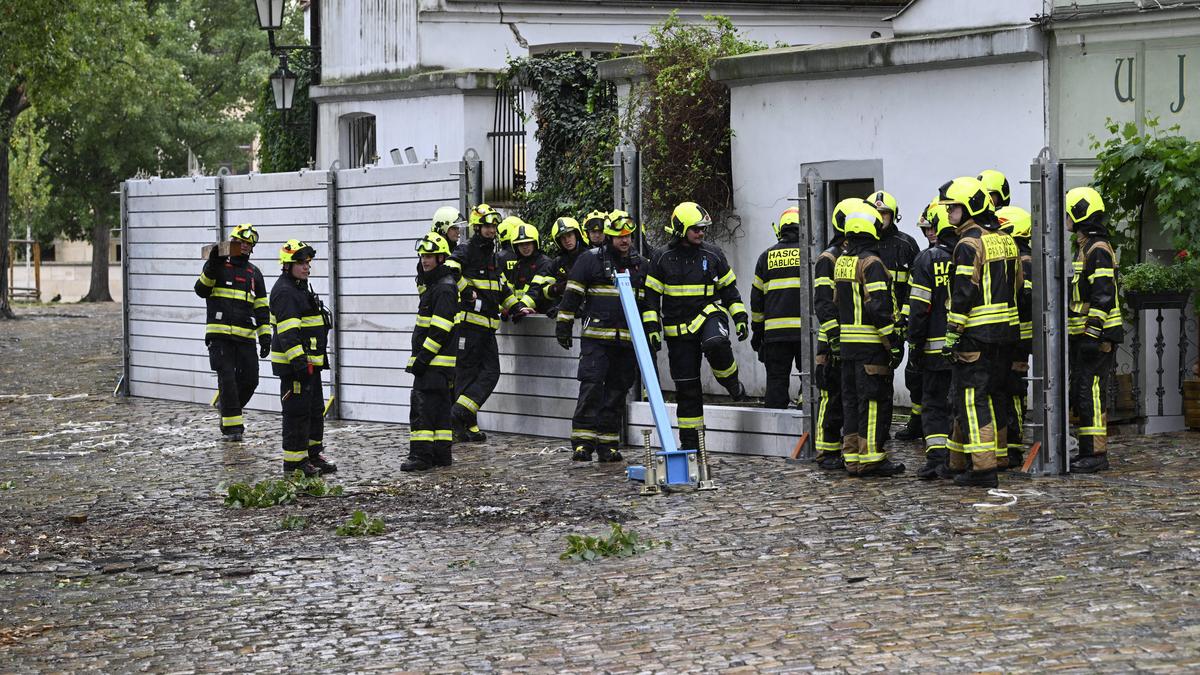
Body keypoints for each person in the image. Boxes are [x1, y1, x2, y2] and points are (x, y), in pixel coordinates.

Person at [643, 202, 749, 451]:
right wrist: (652, 328)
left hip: (708, 316)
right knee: (687, 390)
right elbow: (650, 298)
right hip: (678, 333)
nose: (701, 233)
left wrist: (740, 317)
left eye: (703, 229)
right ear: (681, 229)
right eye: (696, 229)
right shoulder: (660, 258)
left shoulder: (713, 254)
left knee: (716, 343)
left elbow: (729, 291)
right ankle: (691, 444)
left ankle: (731, 382)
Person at [940, 176, 1022, 488]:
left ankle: (983, 469)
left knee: (973, 400)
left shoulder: (968, 244)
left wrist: (952, 332)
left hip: (975, 334)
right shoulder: (1005, 239)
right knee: (995, 396)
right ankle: (987, 457)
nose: (949, 214)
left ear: (971, 208)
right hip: (1006, 334)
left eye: (954, 208)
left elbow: (963, 292)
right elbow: (1017, 285)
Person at [555, 215, 647, 462]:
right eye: (619, 236)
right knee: (591, 388)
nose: (624, 240)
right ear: (609, 236)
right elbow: (572, 294)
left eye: (628, 236)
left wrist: (651, 332)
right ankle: (583, 443)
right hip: (596, 340)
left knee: (617, 392)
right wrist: (563, 323)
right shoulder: (590, 260)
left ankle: (608, 444)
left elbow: (646, 303)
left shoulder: (640, 265)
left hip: (625, 342)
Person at [449, 204, 534, 442]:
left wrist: (516, 307)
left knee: (490, 373)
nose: (492, 230)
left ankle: (461, 414)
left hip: (487, 326)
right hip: (469, 325)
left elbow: (500, 286)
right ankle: (462, 424)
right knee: (466, 374)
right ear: (478, 227)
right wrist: (466, 292)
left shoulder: (491, 254)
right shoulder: (467, 249)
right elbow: (451, 267)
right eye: (487, 226)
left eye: (494, 226)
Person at [834, 202, 905, 477]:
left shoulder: (843, 262)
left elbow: (836, 302)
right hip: (871, 346)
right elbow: (879, 307)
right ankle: (872, 458)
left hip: (848, 347)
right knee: (873, 402)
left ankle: (852, 457)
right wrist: (893, 343)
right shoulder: (871, 263)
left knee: (851, 402)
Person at [194, 223, 270, 442]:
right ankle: (232, 430)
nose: (246, 246)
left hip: (245, 338)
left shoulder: (254, 273)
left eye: (249, 243)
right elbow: (201, 290)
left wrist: (265, 336)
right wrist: (212, 265)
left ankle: (227, 408)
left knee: (250, 380)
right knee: (227, 380)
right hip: (220, 337)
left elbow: (262, 308)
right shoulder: (217, 265)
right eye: (242, 242)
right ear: (233, 242)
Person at [1065, 186, 1122, 473]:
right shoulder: (1085, 246)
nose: (1065, 218)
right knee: (1084, 392)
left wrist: (1091, 332)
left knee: (1092, 393)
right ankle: (1088, 451)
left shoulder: (1097, 249)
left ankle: (1096, 455)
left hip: (1097, 336)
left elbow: (1103, 294)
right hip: (1085, 335)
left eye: (1068, 213)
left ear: (1080, 213)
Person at [270, 239, 336, 476]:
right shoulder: (286, 291)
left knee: (314, 409)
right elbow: (288, 334)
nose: (307, 267)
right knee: (297, 413)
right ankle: (295, 463)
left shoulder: (299, 287)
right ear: (287, 265)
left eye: (308, 262)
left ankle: (312, 454)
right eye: (301, 263)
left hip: (310, 364)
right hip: (296, 366)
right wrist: (299, 364)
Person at [906, 201, 957, 480]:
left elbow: (919, 308)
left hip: (934, 349)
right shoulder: (968, 252)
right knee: (961, 405)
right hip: (964, 348)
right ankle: (959, 459)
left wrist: (914, 343)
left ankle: (937, 459)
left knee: (935, 405)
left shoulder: (928, 259)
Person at [403, 232, 460, 472]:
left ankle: (421, 456)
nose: (425, 260)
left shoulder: (443, 288)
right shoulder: (437, 285)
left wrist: (421, 360)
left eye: (430, 256)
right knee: (439, 410)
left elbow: (439, 330)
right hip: (439, 365)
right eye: (423, 255)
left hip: (433, 363)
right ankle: (441, 454)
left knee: (423, 409)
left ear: (440, 258)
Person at [869, 190, 922, 441]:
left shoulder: (906, 244)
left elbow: (917, 285)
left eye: (885, 213)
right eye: (876, 213)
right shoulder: (862, 244)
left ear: (894, 215)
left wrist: (906, 318)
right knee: (876, 379)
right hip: (871, 324)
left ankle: (913, 422)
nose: (881, 218)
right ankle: (880, 431)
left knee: (910, 374)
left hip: (900, 322)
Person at [812, 198, 857, 469]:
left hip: (851, 339)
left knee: (846, 396)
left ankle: (841, 449)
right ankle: (826, 453)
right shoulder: (828, 258)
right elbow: (823, 303)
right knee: (831, 398)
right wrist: (834, 337)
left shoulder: (853, 255)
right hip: (831, 341)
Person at [750, 206, 805, 409]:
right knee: (809, 381)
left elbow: (757, 300)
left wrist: (757, 331)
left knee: (776, 381)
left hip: (775, 334)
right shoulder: (810, 255)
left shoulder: (766, 257)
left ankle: (774, 431)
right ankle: (807, 428)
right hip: (805, 333)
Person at [997, 205, 1034, 470]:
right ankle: (1010, 444)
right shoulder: (1020, 258)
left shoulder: (1025, 261)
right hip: (1014, 334)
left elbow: (1025, 297)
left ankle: (1013, 446)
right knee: (1010, 389)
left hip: (1019, 336)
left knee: (1013, 390)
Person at [502, 220, 556, 313]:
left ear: (535, 243)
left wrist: (520, 306)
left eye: (528, 243)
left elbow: (537, 290)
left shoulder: (545, 263)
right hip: (523, 315)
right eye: (521, 244)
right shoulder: (518, 265)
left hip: (541, 316)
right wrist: (508, 309)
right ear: (516, 247)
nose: (525, 247)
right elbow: (510, 290)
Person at [544, 216, 587, 314]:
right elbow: (544, 289)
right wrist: (556, 288)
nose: (567, 240)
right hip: (561, 312)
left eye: (569, 235)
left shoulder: (589, 257)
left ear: (576, 235)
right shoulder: (557, 262)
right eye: (563, 238)